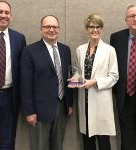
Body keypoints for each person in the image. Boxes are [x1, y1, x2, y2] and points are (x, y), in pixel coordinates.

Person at [20, 15, 73, 150]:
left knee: (58, 146)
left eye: (54, 27)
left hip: (62, 107)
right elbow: (25, 84)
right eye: (47, 27)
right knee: (40, 147)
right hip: (39, 110)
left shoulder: (65, 50)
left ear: (59, 29)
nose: (51, 29)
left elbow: (69, 76)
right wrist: (29, 111)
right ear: (41, 30)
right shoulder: (30, 51)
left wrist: (70, 103)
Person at [68, 13, 119, 150]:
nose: (95, 30)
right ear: (87, 29)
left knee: (103, 142)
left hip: (100, 101)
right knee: (87, 142)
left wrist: (95, 81)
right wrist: (75, 78)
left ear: (101, 29)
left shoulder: (109, 50)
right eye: (91, 27)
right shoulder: (80, 49)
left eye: (98, 27)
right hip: (84, 102)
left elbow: (114, 76)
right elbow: (78, 71)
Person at [0, 0, 26, 149]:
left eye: (7, 12)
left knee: (8, 142)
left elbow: (22, 71)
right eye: (0, 12)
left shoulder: (19, 38)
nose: (4, 15)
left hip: (10, 99)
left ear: (11, 16)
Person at [110, 4, 136, 150]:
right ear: (126, 19)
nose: (135, 18)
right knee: (127, 140)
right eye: (132, 16)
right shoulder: (116, 38)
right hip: (124, 97)